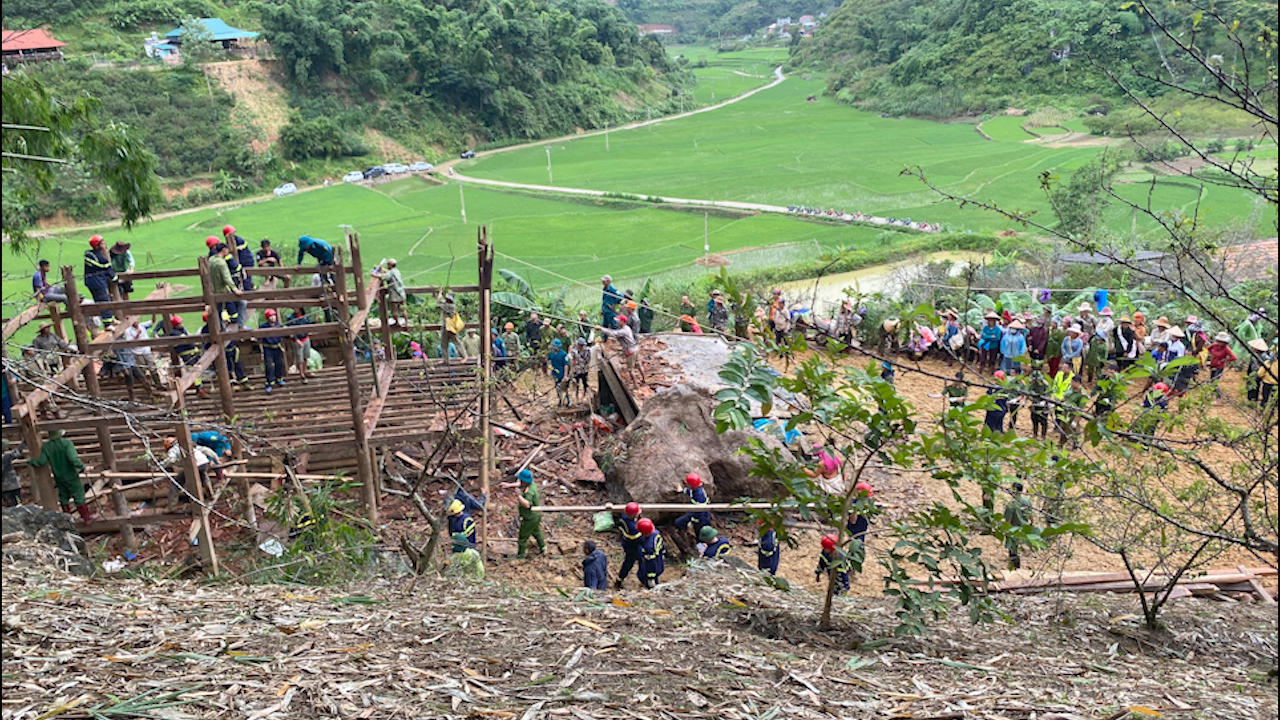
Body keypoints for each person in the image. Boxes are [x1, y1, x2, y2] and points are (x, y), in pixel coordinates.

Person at [28, 430, 93, 523]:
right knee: (78, 495)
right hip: (71, 475)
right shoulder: (66, 443)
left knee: (63, 496)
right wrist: (83, 467)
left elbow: (41, 461)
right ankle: (87, 518)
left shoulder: (46, 446)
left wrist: (31, 462)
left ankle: (67, 518)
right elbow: (73, 458)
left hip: (59, 477)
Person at [160, 435, 217, 504]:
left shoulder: (173, 449)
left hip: (193, 465)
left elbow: (171, 459)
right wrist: (216, 458)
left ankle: (172, 506)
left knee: (176, 483)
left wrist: (161, 465)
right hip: (204, 462)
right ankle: (211, 494)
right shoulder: (188, 444)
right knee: (203, 476)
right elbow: (206, 450)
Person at [168, 316, 209, 399]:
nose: (181, 324)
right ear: (175, 325)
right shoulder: (174, 333)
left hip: (193, 353)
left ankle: (200, 388)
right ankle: (199, 389)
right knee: (194, 371)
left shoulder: (182, 330)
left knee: (198, 370)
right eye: (179, 323)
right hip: (187, 355)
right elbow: (187, 340)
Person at [600, 317, 645, 385]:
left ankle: (635, 385)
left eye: (618, 321)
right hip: (635, 349)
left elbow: (612, 334)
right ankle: (644, 379)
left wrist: (601, 329)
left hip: (630, 351)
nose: (617, 322)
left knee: (630, 369)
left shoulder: (624, 331)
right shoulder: (627, 328)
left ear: (622, 322)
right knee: (639, 365)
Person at [208, 242, 245, 327]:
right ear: (224, 250)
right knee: (242, 303)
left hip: (213, 290)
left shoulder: (211, 260)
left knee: (218, 310)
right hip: (222, 290)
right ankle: (241, 325)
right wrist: (235, 289)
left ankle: (221, 328)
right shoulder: (221, 263)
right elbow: (226, 278)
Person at [83, 235, 116, 322]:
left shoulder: (89, 254)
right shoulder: (100, 258)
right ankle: (108, 323)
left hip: (90, 282)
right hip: (98, 283)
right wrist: (115, 279)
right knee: (104, 302)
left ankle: (108, 320)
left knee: (98, 302)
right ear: (97, 245)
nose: (105, 244)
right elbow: (109, 269)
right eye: (102, 243)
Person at [514, 469, 544, 558]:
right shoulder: (532, 485)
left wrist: (518, 496)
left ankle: (520, 556)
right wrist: (509, 485)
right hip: (536, 516)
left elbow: (527, 504)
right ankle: (543, 547)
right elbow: (520, 485)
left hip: (530, 517)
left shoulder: (529, 492)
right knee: (536, 532)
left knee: (523, 537)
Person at [1004, 482, 1033, 570]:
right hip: (1024, 529)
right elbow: (1031, 516)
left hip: (1014, 530)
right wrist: (1031, 525)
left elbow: (1008, 521)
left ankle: (1016, 568)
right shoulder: (1027, 501)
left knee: (1013, 552)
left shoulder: (1011, 505)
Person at [615, 502, 644, 588]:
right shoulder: (633, 528)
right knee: (633, 562)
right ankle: (642, 579)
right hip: (633, 547)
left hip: (626, 543)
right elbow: (639, 539)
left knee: (628, 563)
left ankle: (619, 580)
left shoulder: (623, 519)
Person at [259, 309, 286, 392]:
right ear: (267, 318)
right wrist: (262, 352)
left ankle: (279, 378)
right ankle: (269, 382)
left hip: (277, 347)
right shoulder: (263, 327)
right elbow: (259, 339)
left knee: (279, 363)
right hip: (268, 348)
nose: (273, 317)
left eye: (274, 315)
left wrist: (286, 330)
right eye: (271, 316)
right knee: (269, 365)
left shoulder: (279, 326)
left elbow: (285, 335)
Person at [1057, 376, 1087, 447]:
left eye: (1072, 382)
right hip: (1066, 412)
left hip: (1073, 414)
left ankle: (1075, 445)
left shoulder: (1082, 394)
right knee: (1063, 428)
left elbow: (1081, 408)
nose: (1071, 383)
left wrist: (1075, 420)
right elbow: (1066, 397)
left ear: (1077, 383)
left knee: (1073, 430)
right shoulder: (1072, 389)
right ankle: (1061, 443)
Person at [375, 258, 406, 324]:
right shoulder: (397, 271)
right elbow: (389, 273)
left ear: (390, 265)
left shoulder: (390, 273)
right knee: (403, 309)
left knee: (394, 311)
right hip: (401, 293)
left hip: (395, 294)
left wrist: (375, 275)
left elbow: (385, 277)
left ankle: (397, 323)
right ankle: (406, 323)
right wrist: (382, 270)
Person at [286, 308, 313, 383]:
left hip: (305, 338)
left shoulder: (305, 317)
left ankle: (305, 371)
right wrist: (296, 339)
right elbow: (290, 330)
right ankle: (301, 374)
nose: (295, 309)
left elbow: (308, 325)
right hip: (297, 340)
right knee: (299, 358)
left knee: (305, 356)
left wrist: (315, 321)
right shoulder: (291, 318)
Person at [637, 517, 665, 588]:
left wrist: (650, 577)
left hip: (653, 566)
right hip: (659, 558)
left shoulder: (649, 547)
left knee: (641, 576)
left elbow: (651, 563)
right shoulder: (656, 533)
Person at [1244, 338, 1271, 404]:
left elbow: (1268, 363)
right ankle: (1251, 399)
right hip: (1253, 372)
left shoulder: (1264, 356)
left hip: (1258, 373)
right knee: (1252, 385)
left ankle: (1252, 400)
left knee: (1255, 386)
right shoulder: (1253, 354)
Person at [2, 438, 26, 508]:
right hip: (13, 485)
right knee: (18, 505)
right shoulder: (6, 458)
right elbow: (17, 452)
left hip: (3, 488)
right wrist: (24, 443)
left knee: (10, 506)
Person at [439, 291, 462, 363]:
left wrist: (439, 295)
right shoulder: (448, 304)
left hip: (451, 327)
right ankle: (445, 359)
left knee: (457, 342)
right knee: (444, 343)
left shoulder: (450, 306)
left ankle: (464, 356)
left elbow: (439, 304)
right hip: (446, 327)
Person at [548, 338, 570, 406]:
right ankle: (560, 400)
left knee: (564, 388)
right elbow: (548, 361)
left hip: (562, 373)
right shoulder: (551, 353)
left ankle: (568, 401)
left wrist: (565, 375)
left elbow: (566, 364)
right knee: (557, 388)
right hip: (555, 373)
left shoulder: (564, 354)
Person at [570, 337, 592, 402]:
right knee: (576, 383)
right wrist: (572, 369)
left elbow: (588, 359)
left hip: (584, 369)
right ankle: (577, 396)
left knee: (585, 382)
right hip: (577, 370)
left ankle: (585, 394)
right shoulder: (574, 351)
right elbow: (572, 360)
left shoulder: (587, 350)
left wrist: (586, 365)